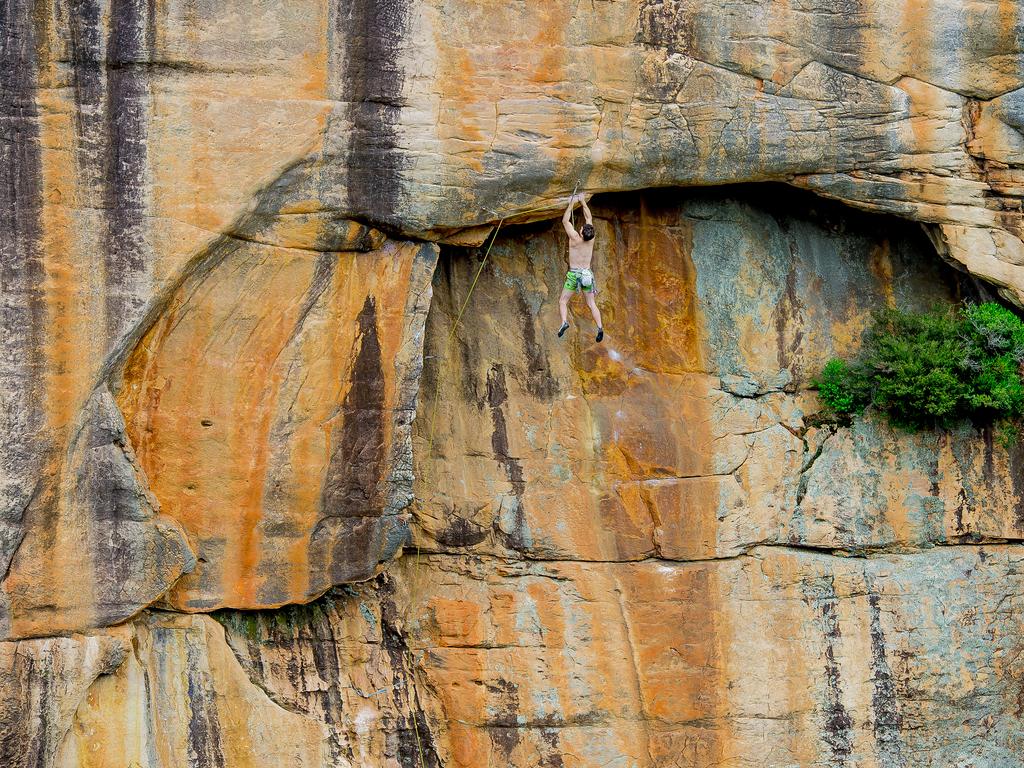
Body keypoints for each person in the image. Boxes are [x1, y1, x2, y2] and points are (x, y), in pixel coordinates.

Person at [557, 193, 603, 342]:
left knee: (563, 301)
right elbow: (588, 218)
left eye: (582, 228)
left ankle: (564, 322)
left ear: (581, 232)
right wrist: (583, 201)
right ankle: (600, 327)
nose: (582, 226)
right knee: (591, 304)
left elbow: (565, 220)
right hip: (587, 275)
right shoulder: (592, 239)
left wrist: (571, 203)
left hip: (574, 275)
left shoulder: (575, 238)